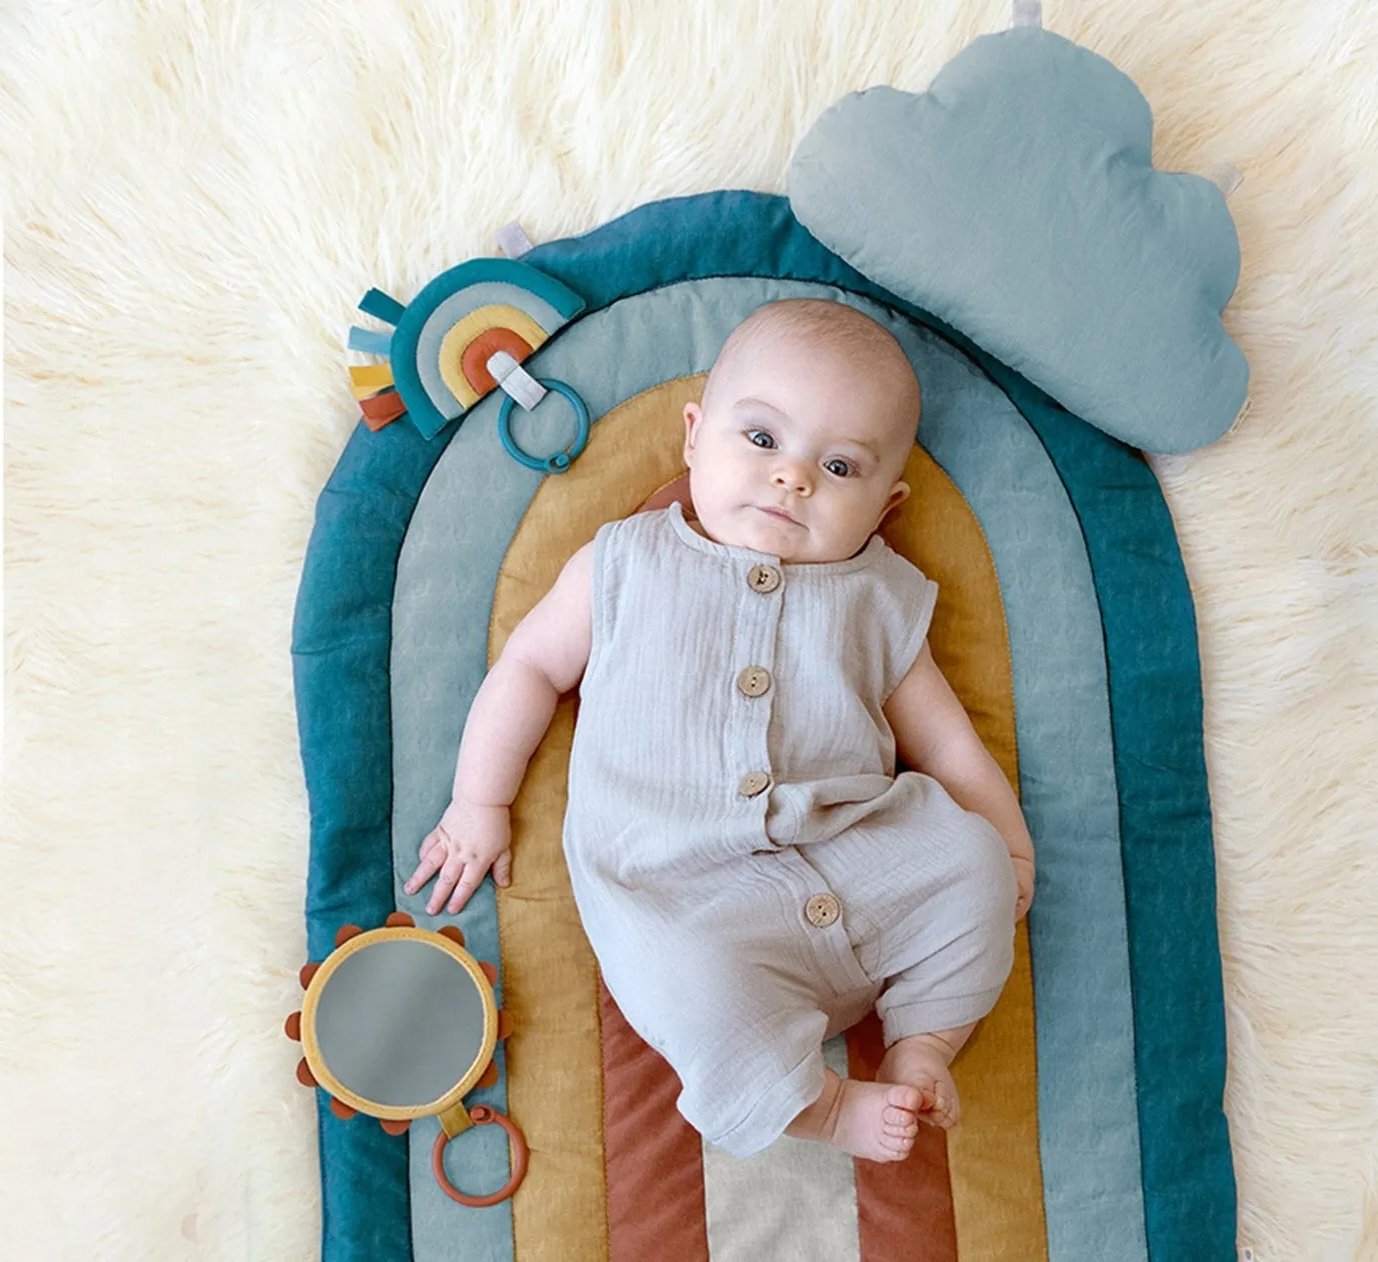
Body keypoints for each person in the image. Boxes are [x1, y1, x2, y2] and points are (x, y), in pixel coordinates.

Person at [404, 297, 1036, 1162]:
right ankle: (822, 1108)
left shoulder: (880, 598)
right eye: (764, 440)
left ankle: (924, 1045)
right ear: (694, 436)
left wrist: (1009, 848)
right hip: (685, 896)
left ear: (888, 505)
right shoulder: (624, 564)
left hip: (857, 862)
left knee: (971, 869)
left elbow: (952, 745)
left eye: (841, 466)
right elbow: (528, 667)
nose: (794, 478)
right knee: (684, 991)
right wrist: (479, 801)